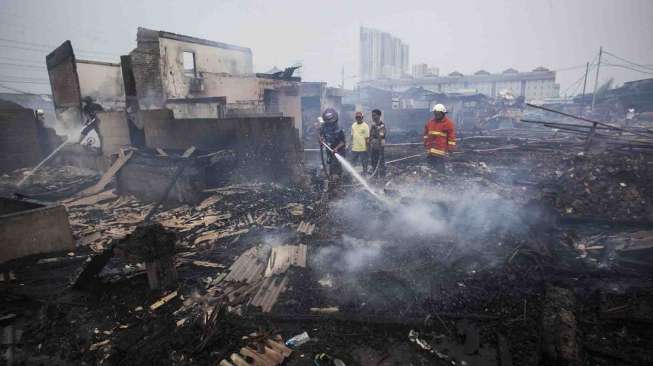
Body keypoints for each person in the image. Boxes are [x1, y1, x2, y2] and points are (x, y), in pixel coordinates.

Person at [423, 104, 456, 174]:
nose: (436, 115)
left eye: (438, 113)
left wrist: (451, 148)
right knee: (430, 168)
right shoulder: (430, 123)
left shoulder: (448, 123)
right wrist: (425, 143)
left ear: (443, 113)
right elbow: (426, 134)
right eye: (435, 113)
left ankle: (441, 180)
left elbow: (451, 137)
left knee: (439, 168)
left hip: (440, 151)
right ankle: (431, 179)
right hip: (430, 150)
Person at [319, 108, 346, 177]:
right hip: (329, 150)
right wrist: (321, 139)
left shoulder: (339, 129)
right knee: (331, 165)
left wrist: (336, 148)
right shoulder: (324, 127)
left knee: (335, 165)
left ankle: (336, 180)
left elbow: (343, 142)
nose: (329, 124)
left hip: (339, 151)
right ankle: (333, 179)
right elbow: (321, 136)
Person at [369, 109, 387, 177]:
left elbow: (381, 136)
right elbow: (370, 136)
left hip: (379, 148)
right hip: (373, 147)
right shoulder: (373, 126)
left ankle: (382, 178)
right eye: (372, 116)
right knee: (373, 162)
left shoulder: (382, 125)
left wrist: (376, 128)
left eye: (374, 115)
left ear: (379, 116)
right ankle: (375, 177)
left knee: (381, 163)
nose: (373, 117)